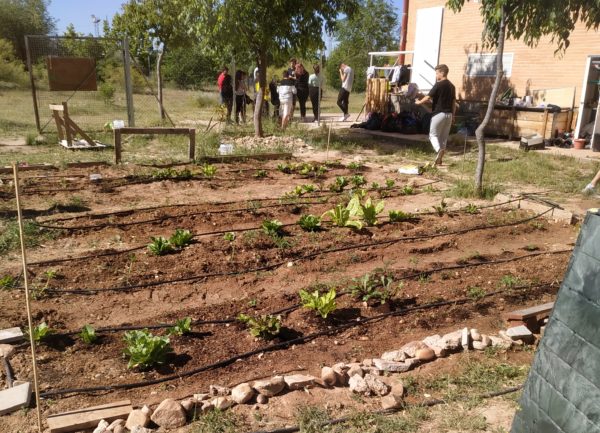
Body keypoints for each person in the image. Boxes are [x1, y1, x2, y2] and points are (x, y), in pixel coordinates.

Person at [415, 64, 456, 165]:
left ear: (442, 73)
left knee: (433, 135)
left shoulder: (438, 84)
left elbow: (428, 96)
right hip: (449, 115)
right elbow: (453, 102)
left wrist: (419, 102)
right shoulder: (452, 86)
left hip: (439, 114)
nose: (436, 75)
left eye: (437, 73)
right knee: (443, 138)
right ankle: (440, 159)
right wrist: (453, 115)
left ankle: (438, 150)